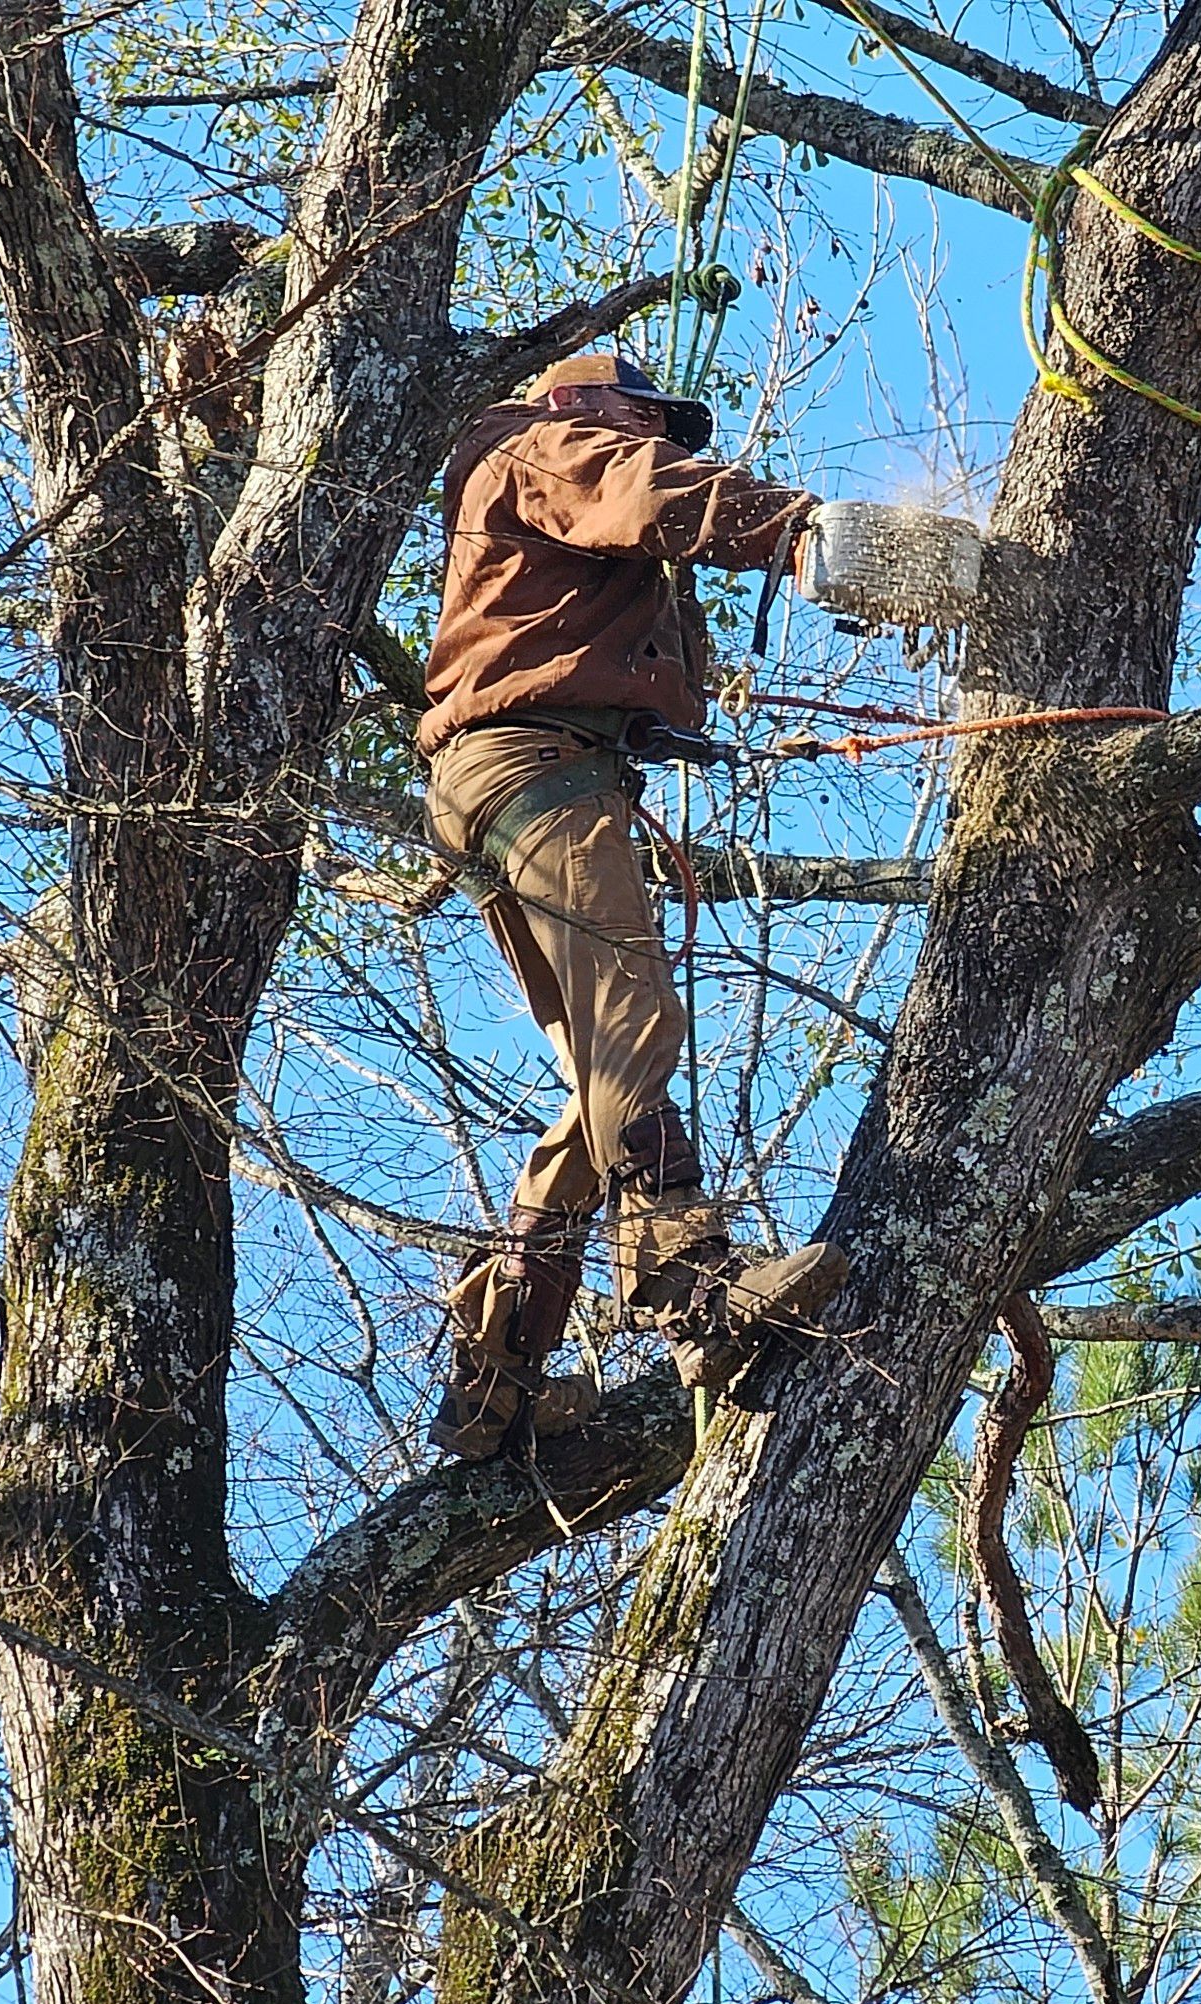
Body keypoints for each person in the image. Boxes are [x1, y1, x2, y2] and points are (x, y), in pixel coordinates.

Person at [419, 352, 849, 1459]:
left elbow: (592, 606)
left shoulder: (534, 510)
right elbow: (649, 495)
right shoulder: (542, 442)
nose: (661, 439)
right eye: (642, 418)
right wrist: (802, 527)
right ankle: (687, 1281)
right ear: (582, 404)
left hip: (508, 775)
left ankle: (495, 1373)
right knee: (635, 1022)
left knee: (598, 1083)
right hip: (533, 766)